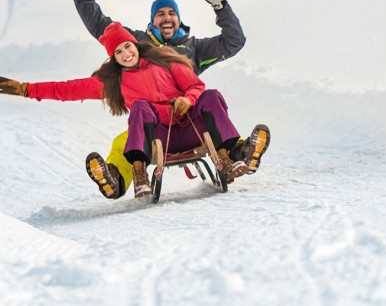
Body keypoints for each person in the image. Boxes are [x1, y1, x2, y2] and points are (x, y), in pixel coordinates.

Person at [59, 0, 268, 199]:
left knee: (214, 113)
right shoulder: (137, 43)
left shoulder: (194, 49)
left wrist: (221, 7)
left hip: (189, 122)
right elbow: (98, 23)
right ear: (152, 20)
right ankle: (115, 179)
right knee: (123, 142)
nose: (166, 18)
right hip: (153, 124)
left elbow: (234, 42)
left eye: (171, 13)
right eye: (160, 14)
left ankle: (243, 154)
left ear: (178, 19)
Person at [0, 22, 268, 198]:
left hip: (191, 129)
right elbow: (68, 89)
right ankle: (137, 175)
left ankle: (233, 155)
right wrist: (26, 89)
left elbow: (196, 85)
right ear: (113, 58)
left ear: (135, 44)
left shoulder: (165, 62)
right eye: (118, 52)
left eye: (127, 46)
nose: (126, 53)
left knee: (211, 95)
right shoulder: (114, 82)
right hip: (157, 140)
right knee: (140, 107)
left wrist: (188, 98)